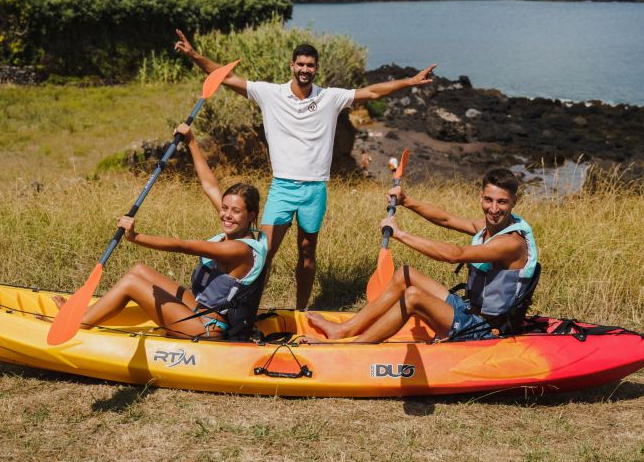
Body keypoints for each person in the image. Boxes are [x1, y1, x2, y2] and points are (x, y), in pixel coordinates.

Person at [174, 28, 437, 309]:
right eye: (300, 64)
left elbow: (372, 92)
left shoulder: (329, 97)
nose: (304, 69)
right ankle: (245, 310)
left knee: (308, 252)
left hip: (315, 190)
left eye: (310, 65)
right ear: (292, 66)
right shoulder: (270, 94)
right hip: (283, 188)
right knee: (261, 253)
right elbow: (225, 78)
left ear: (316, 68)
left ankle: (301, 311)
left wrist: (409, 82)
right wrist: (194, 55)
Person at [53, 124, 267, 339]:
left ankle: (76, 325)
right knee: (139, 270)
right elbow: (209, 185)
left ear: (250, 215)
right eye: (224, 208)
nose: (227, 215)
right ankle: (87, 315)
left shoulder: (239, 249)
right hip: (197, 307)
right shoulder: (232, 229)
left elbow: (184, 246)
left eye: (236, 211)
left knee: (131, 283)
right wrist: (191, 141)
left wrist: (136, 237)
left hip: (206, 326)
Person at [305, 168, 538, 342]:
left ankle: (354, 347)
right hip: (469, 312)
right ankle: (344, 329)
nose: (494, 209)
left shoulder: (511, 243)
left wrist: (401, 235)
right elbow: (446, 219)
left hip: (483, 329)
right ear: (481, 198)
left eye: (502, 202)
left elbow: (455, 255)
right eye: (489, 200)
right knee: (405, 274)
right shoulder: (490, 226)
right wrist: (407, 201)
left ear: (514, 202)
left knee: (413, 296)